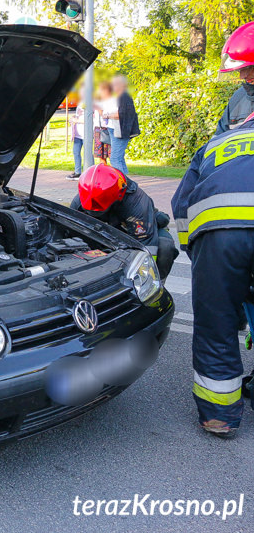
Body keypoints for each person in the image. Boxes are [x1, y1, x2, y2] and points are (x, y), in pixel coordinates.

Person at [171, 117, 254, 438]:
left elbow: (181, 204)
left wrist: (200, 257)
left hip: (218, 233)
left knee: (216, 325)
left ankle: (220, 416)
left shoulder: (216, 144)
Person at [72, 163, 177, 279]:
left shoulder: (137, 203)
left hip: (134, 232)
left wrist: (145, 282)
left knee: (165, 247)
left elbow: (147, 247)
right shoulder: (83, 199)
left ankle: (157, 285)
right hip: (107, 233)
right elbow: (69, 232)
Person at [216, 22, 254, 135]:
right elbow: (218, 141)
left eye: (248, 68)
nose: (242, 76)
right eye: (239, 70)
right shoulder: (238, 98)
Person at [102, 75, 140, 175]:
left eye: (115, 84)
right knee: (119, 158)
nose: (113, 86)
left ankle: (122, 183)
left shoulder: (124, 97)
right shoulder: (121, 97)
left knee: (115, 159)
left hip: (119, 131)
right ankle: (127, 184)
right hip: (116, 130)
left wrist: (107, 115)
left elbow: (122, 114)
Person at [92, 82, 113, 165]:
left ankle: (114, 173)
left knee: (112, 155)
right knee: (102, 156)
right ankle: (104, 172)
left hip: (108, 128)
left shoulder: (111, 101)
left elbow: (103, 113)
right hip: (100, 129)